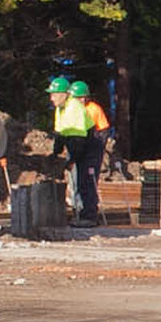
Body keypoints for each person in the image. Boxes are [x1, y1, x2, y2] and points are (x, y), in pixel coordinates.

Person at [46, 66, 111, 222]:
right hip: (79, 144)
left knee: (86, 181)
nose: (51, 98)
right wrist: (56, 152)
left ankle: (89, 216)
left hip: (89, 145)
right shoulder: (60, 108)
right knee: (78, 181)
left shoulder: (74, 109)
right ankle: (80, 213)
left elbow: (79, 139)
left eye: (54, 94)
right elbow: (60, 133)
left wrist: (72, 160)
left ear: (64, 94)